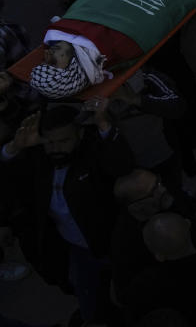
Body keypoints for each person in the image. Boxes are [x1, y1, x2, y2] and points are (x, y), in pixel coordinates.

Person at [1, 106, 134, 324]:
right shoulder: (39, 158)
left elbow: (123, 166)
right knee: (92, 305)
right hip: (77, 251)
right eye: (50, 142)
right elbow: (10, 181)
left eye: (63, 141)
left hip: (113, 244)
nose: (56, 148)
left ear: (79, 134)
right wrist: (16, 146)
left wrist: (103, 124)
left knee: (129, 295)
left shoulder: (92, 152)